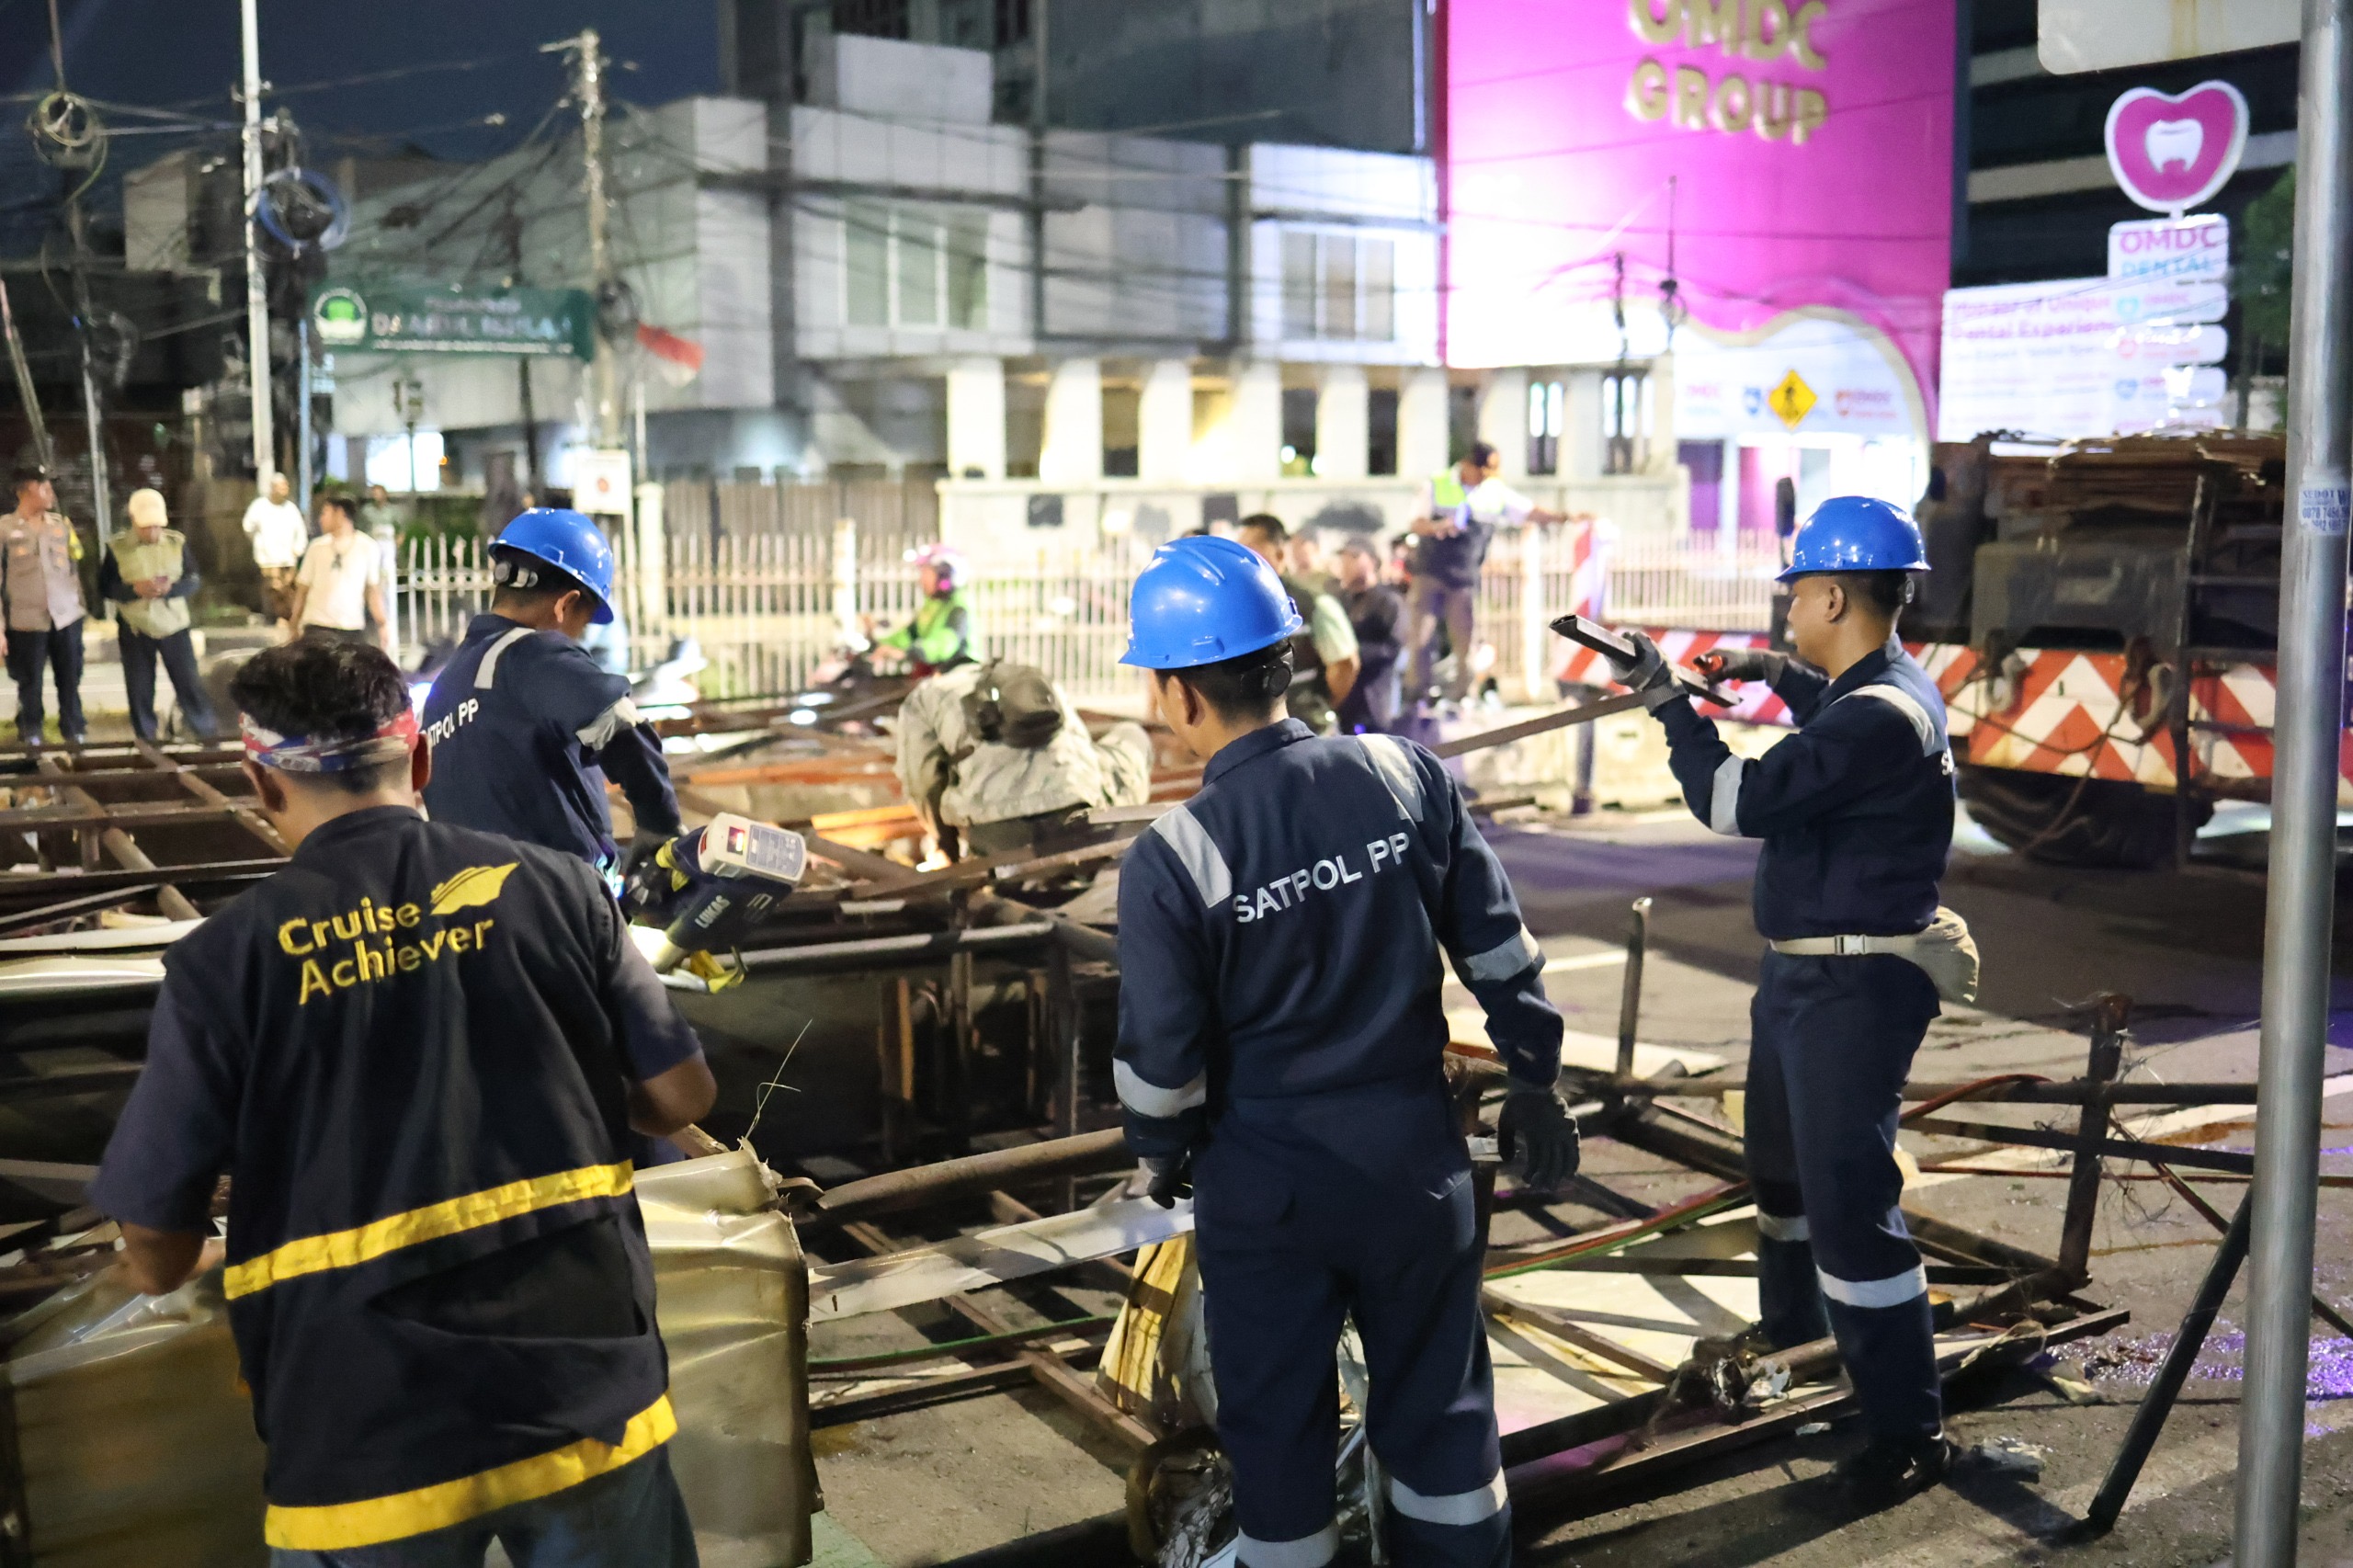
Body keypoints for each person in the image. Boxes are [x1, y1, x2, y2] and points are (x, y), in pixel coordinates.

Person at [87, 636, 712, 1567]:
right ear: (420, 758)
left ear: (261, 786)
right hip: (583, 1390)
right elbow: (679, 1096)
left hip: (363, 1428)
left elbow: (156, 1251)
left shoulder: (224, 962)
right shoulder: (563, 887)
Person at [1114, 535, 1574, 1568]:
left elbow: (1160, 1066)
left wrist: (1159, 1148)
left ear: (1181, 694)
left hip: (1269, 1185)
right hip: (1418, 1160)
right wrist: (1536, 1077)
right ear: (1286, 658)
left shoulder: (1173, 855)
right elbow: (1501, 949)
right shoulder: (1402, 774)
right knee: (1444, 1417)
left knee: (1278, 1441)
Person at [1607, 495, 1969, 1508]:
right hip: (1806, 975)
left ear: (1835, 594)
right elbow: (1833, 707)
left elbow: (1735, 802)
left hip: (1853, 986)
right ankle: (1798, 1335)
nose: (1788, 609)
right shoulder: (1878, 690)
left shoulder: (1879, 718)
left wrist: (1666, 703)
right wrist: (1769, 676)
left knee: (1851, 1208)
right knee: (1781, 1176)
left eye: (1797, 594)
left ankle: (1906, 1425)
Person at [421, 508, 681, 880]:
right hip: (563, 905)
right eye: (584, 621)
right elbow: (622, 725)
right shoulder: (530, 654)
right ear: (565, 604)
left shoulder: (445, 688)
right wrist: (660, 824)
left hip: (479, 912)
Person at [895, 658, 1153, 859]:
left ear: (940, 673)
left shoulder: (926, 695)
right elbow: (1080, 747)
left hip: (995, 833)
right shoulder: (1028, 678)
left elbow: (922, 779)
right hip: (1079, 814)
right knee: (1131, 734)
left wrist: (946, 846)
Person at [1406, 443, 1564, 710]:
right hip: (1430, 573)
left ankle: (1462, 697)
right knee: (1420, 638)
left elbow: (1528, 511)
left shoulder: (1493, 491)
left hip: (1464, 579)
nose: (1483, 478)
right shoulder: (1437, 485)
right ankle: (1415, 697)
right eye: (1480, 471)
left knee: (1466, 642)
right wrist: (1438, 527)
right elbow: (1416, 523)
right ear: (1467, 465)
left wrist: (1565, 517)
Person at [100, 488, 217, 742]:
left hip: (174, 625)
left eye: (157, 527)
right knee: (140, 688)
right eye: (146, 527)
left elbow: (193, 579)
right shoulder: (117, 548)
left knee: (189, 684)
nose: (153, 533)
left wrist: (171, 589)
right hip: (135, 627)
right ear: (133, 520)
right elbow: (105, 587)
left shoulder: (177, 543)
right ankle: (147, 739)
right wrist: (133, 590)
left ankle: (206, 735)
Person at [1234, 514, 1357, 735]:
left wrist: (1319, 705)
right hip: (1263, 737)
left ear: (1279, 554)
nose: (1242, 560)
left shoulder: (1313, 603)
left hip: (1312, 731)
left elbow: (1345, 665)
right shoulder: (1242, 607)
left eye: (1251, 551)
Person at [0, 459, 88, 747]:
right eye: (43, 486)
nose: (50, 492)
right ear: (23, 492)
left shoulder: (61, 525)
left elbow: (74, 570)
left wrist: (81, 612)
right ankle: (31, 734)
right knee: (30, 684)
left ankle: (75, 733)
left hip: (65, 617)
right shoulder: (4, 529)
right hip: (27, 621)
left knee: (70, 680)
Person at [290, 494, 392, 653]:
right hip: (317, 627)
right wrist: (294, 622)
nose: (321, 519)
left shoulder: (367, 547)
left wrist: (382, 624)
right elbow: (302, 589)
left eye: (325, 513)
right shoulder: (316, 547)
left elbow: (372, 590)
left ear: (339, 514)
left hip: (351, 628)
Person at [1334, 535, 1404, 735]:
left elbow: (1392, 647)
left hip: (1375, 702)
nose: (1347, 564)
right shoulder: (1341, 600)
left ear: (1372, 561)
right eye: (1344, 559)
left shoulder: (1388, 601)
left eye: (1355, 557)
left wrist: (1353, 655)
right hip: (1345, 705)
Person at [870, 543, 974, 676]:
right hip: (939, 674)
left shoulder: (958, 608)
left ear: (944, 576)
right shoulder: (931, 606)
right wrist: (878, 643)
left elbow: (945, 643)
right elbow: (907, 635)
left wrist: (909, 653)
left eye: (926, 573)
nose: (921, 580)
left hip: (961, 675)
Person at [243, 472, 310, 635]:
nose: (284, 489)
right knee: (275, 589)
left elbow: (300, 531)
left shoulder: (291, 509)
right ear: (273, 488)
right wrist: (260, 545)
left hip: (288, 558)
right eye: (281, 486)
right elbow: (248, 527)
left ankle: (291, 618)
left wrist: (298, 549)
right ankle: (280, 617)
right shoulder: (259, 506)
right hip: (268, 559)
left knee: (290, 590)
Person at [358, 483, 406, 551]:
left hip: (388, 543)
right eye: (374, 494)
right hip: (371, 542)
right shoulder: (366, 510)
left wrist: (400, 539)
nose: (376, 496)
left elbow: (401, 527)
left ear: (385, 494)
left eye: (378, 493)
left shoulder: (392, 510)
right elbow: (360, 527)